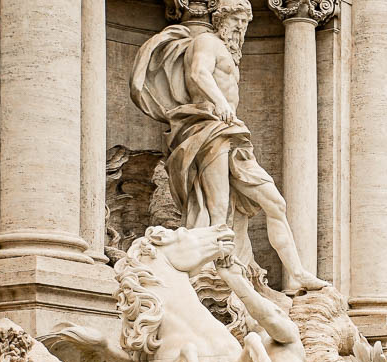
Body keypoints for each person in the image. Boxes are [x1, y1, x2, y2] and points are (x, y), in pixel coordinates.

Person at [131, 0, 327, 291]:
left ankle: (297, 272)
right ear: (220, 19)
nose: (240, 28)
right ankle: (210, 276)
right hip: (209, 128)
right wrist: (220, 103)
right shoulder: (206, 42)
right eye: (236, 20)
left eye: (245, 23)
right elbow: (198, 73)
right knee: (218, 207)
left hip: (231, 131)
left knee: (275, 202)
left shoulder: (229, 52)